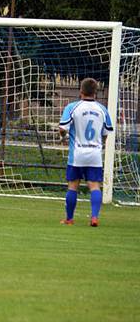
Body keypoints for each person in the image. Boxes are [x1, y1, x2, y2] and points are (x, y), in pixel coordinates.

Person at [58, 78, 114, 227]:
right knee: (94, 186)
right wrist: (99, 144)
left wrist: (63, 137)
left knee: (73, 186)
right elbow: (106, 133)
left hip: (77, 154)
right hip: (94, 154)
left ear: (80, 91)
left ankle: (69, 219)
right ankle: (94, 217)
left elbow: (63, 128)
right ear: (95, 92)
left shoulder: (73, 107)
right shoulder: (102, 109)